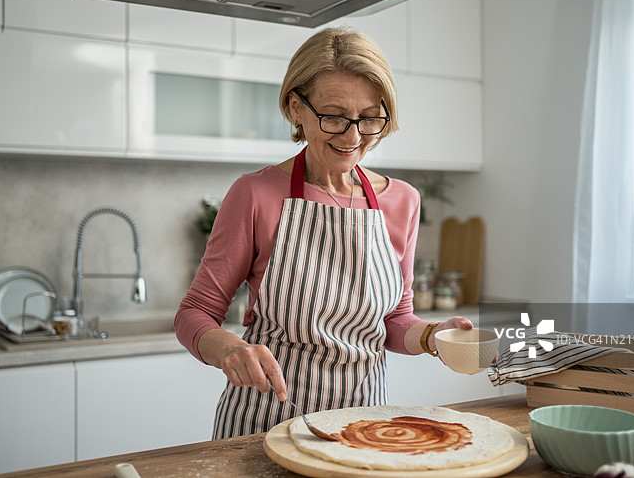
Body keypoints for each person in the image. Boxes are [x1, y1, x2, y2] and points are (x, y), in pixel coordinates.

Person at [175, 26, 472, 439]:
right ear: (296, 107)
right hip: (264, 426)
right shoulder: (256, 193)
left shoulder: (402, 200)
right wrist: (230, 349)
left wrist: (432, 337)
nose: (353, 137)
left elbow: (395, 319)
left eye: (369, 117)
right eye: (333, 116)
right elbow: (194, 314)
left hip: (363, 429)